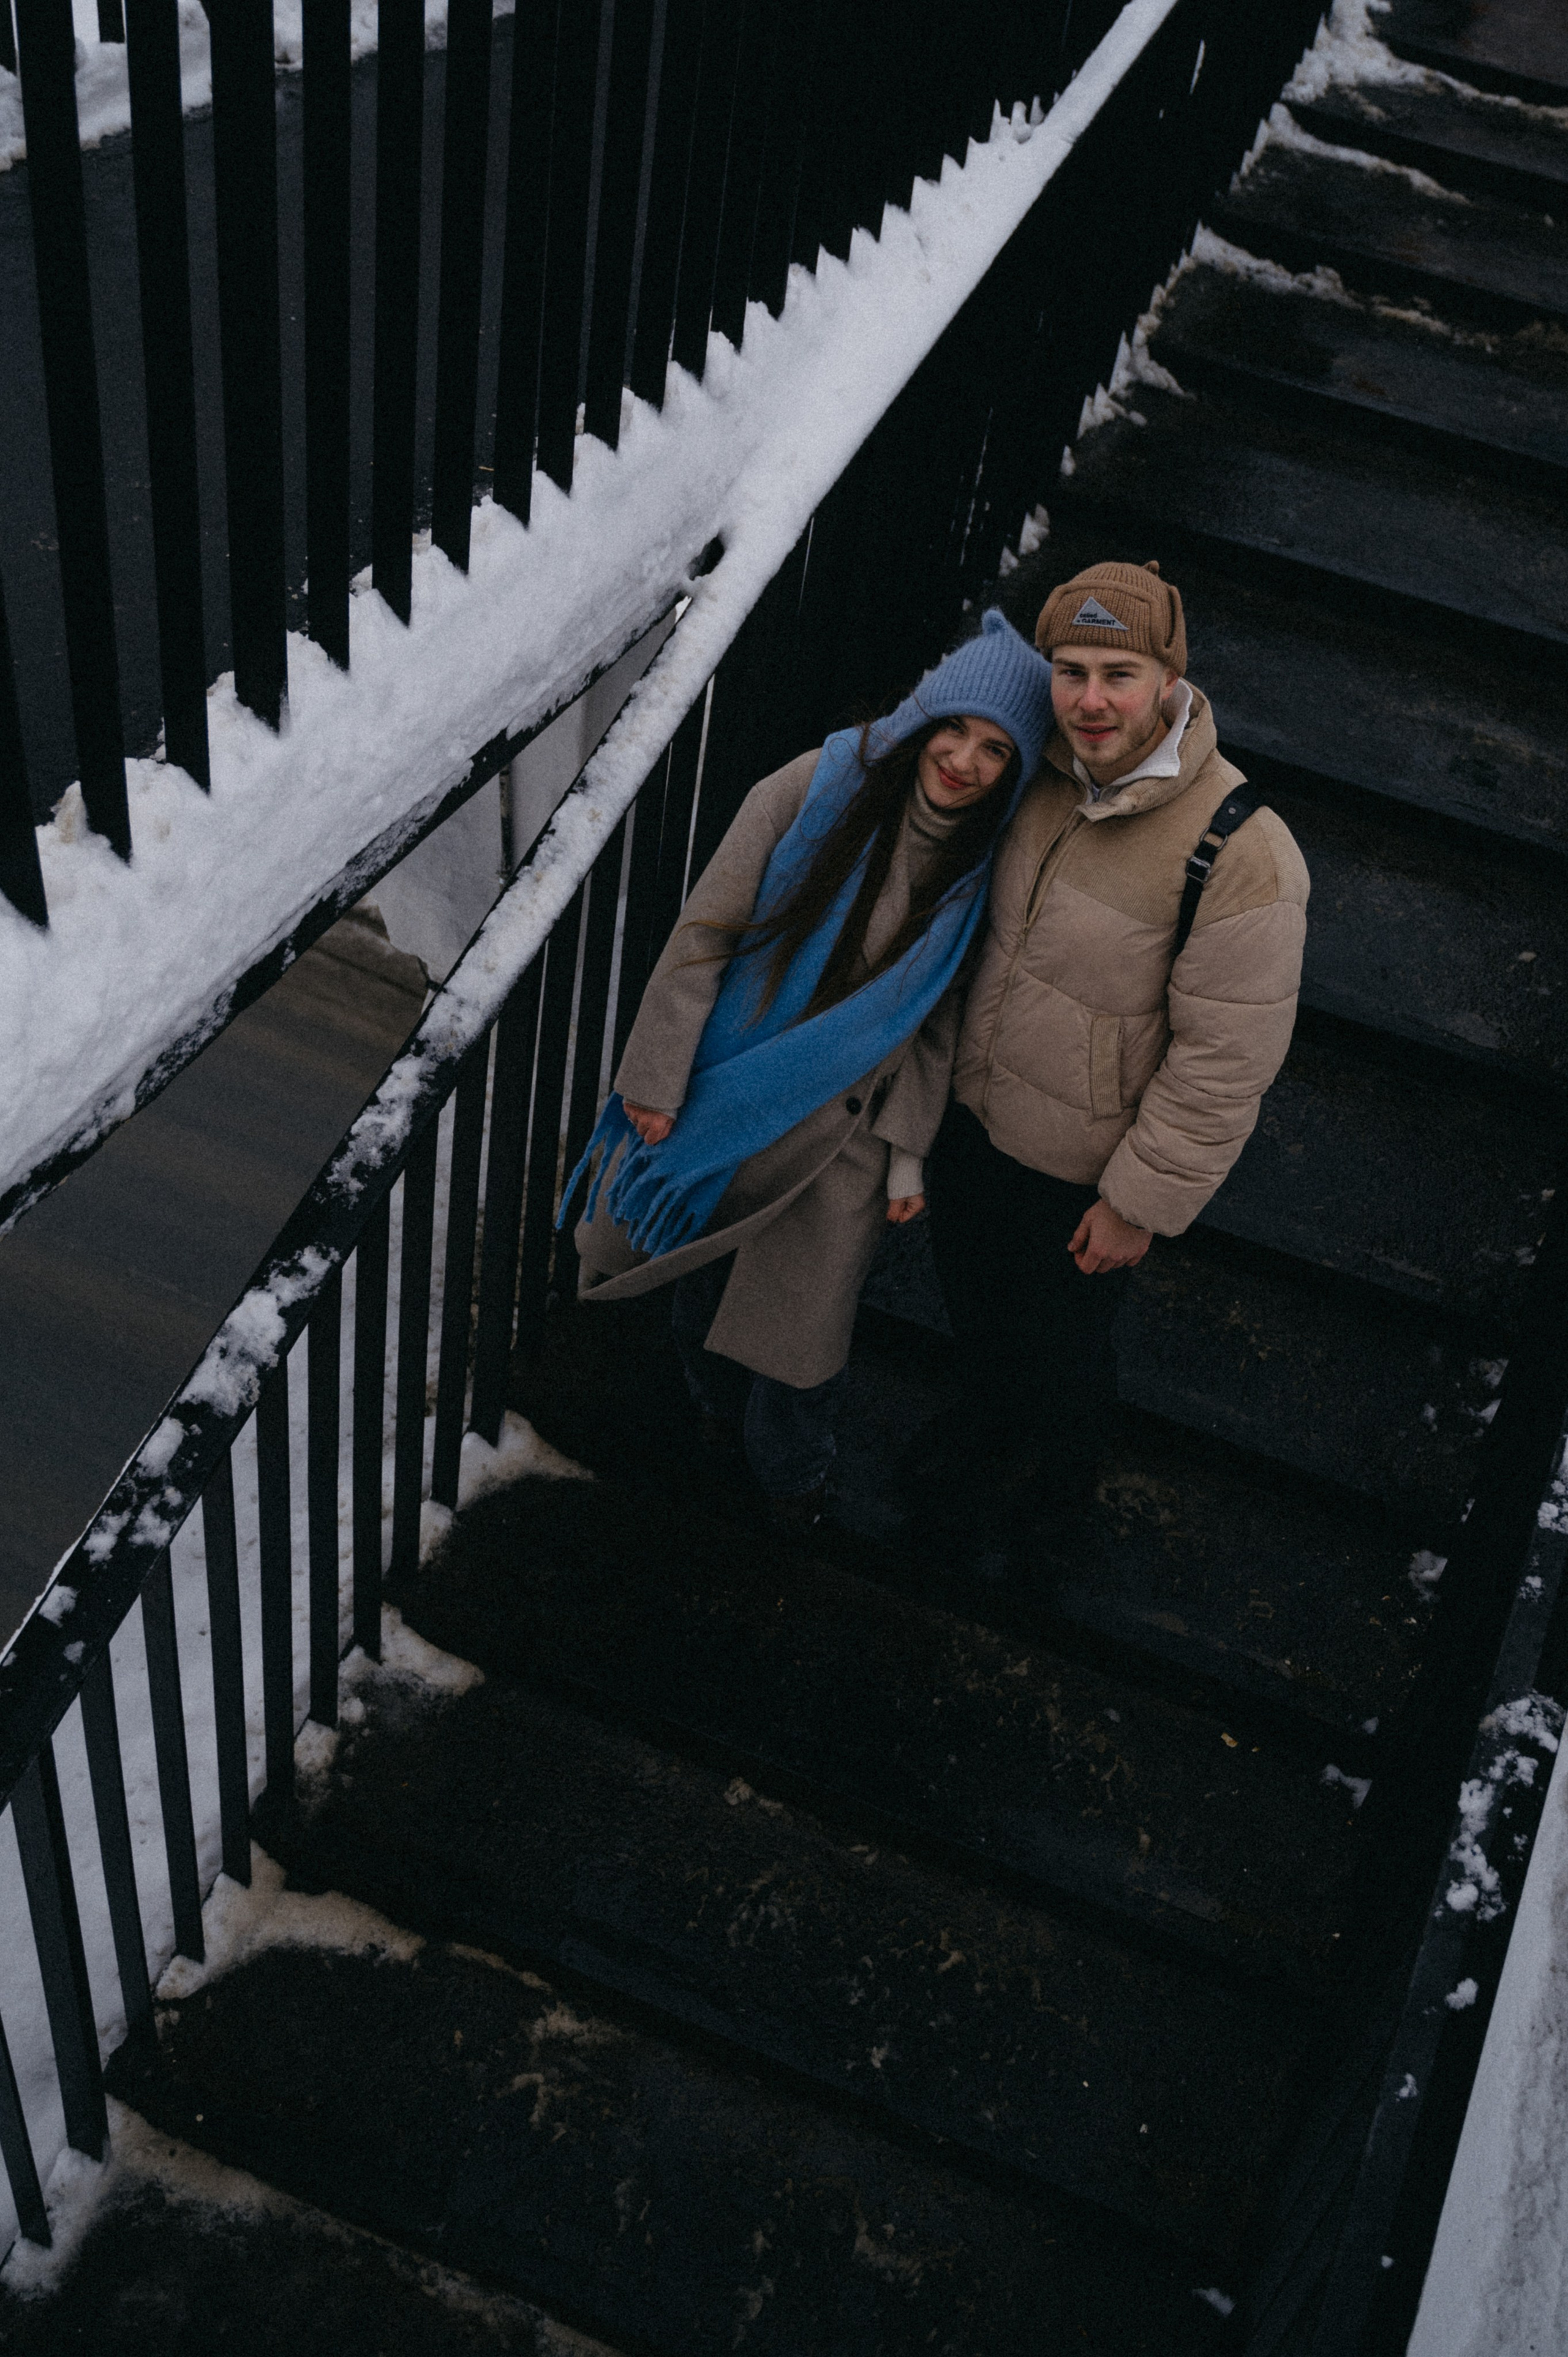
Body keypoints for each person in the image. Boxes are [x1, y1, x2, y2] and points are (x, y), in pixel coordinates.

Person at [565, 611, 1054, 1528]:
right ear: (922, 717)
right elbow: (705, 932)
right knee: (699, 1280)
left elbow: (935, 1022)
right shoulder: (817, 785)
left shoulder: (978, 870)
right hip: (735, 1089)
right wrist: (656, 1079)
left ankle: (793, 1479)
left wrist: (908, 1151)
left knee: (801, 1341)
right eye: (954, 728)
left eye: (996, 750)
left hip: (846, 1138)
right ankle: (711, 1419)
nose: (964, 761)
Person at [919, 558, 1310, 1570]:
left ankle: (1056, 1503)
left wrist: (1139, 1200)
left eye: (1120, 674)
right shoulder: (1033, 774)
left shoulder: (1243, 849)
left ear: (1171, 683)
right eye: (1072, 671)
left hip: (1084, 1172)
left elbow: (1227, 1058)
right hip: (974, 1126)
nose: (1091, 701)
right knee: (976, 1316)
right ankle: (984, 1436)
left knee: (1065, 1357)